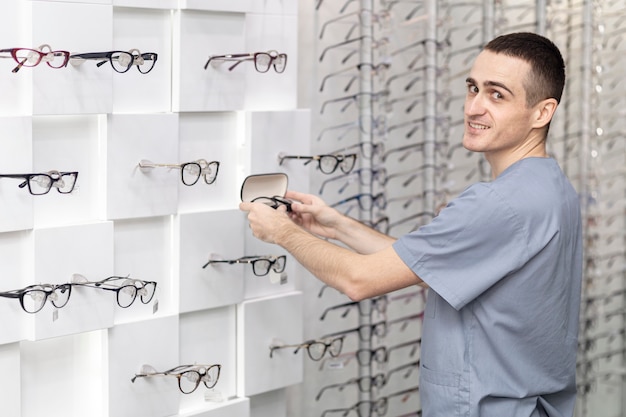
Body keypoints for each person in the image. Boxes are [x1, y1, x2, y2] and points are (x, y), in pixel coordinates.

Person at [240, 32, 582, 417]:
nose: (474, 107)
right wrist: (337, 227)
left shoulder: (497, 204)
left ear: (542, 112)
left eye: (497, 95)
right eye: (473, 88)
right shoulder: (551, 189)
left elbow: (358, 280)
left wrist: (282, 232)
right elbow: (435, 268)